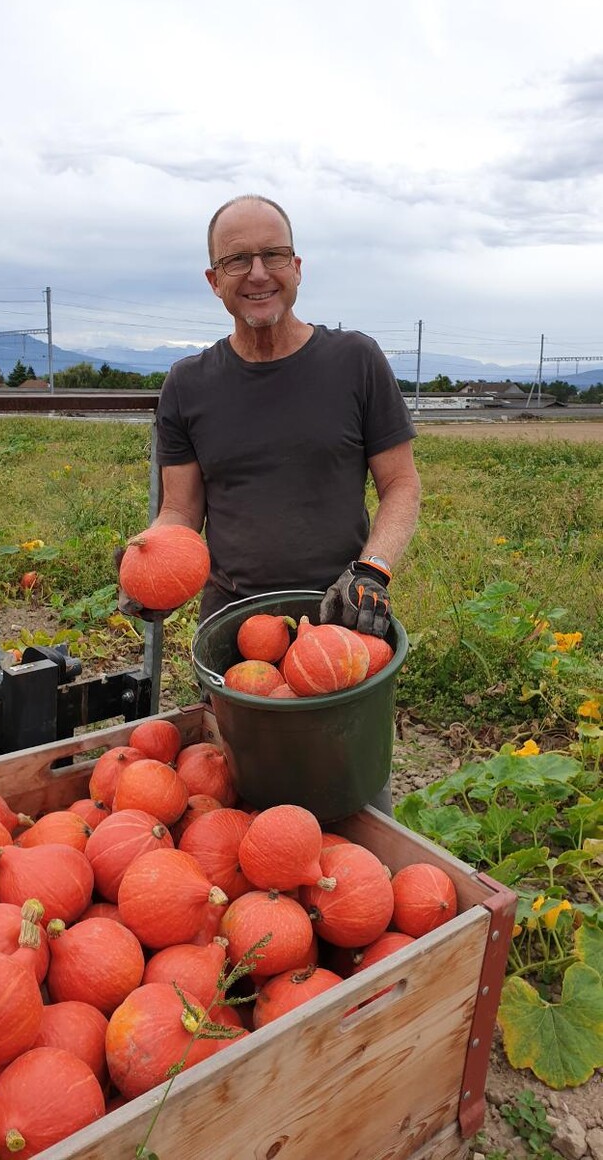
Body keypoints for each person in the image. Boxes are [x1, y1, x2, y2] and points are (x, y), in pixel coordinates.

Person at [128, 195, 421, 812]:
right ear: (214, 281)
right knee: (239, 812)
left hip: (343, 626)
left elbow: (401, 486)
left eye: (273, 255)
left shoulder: (355, 361)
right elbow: (179, 512)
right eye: (237, 260)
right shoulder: (188, 384)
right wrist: (151, 568)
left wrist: (373, 569)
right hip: (237, 639)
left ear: (297, 267)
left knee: (355, 808)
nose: (258, 273)